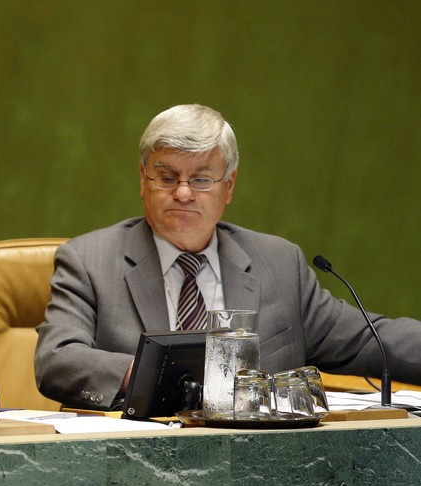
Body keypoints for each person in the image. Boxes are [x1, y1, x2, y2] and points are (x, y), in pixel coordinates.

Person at [34, 103, 421, 410]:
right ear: (143, 179)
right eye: (167, 177)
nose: (183, 193)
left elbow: (370, 340)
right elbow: (58, 360)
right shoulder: (90, 259)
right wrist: (154, 374)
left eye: (201, 179)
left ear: (229, 185)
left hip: (260, 469)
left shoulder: (278, 263)